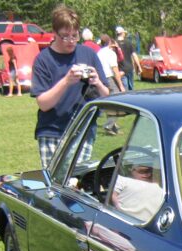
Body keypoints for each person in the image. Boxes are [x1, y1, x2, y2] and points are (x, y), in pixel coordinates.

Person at [31, 5, 109, 168]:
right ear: (54, 32)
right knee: (55, 182)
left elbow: (107, 96)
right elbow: (43, 104)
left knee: (77, 180)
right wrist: (66, 81)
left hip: (83, 131)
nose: (71, 40)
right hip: (52, 132)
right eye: (65, 36)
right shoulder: (43, 60)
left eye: (75, 35)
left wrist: (98, 83)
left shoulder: (88, 54)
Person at [115, 26, 141, 91]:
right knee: (131, 88)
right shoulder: (128, 43)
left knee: (124, 89)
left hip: (120, 69)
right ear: (122, 33)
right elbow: (134, 55)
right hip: (129, 68)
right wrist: (139, 66)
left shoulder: (115, 44)